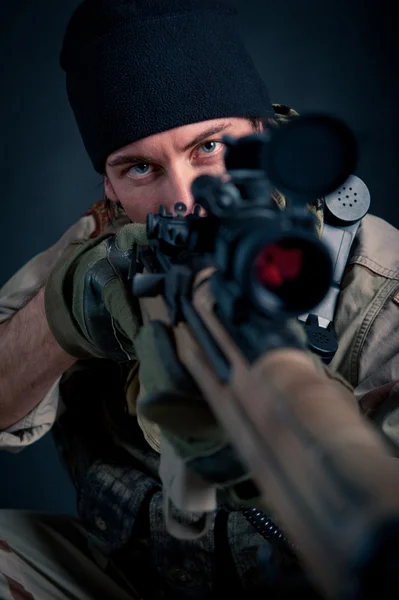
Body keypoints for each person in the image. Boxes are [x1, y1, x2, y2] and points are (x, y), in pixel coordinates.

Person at [0, 0, 399, 598]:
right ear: (107, 186)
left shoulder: (380, 281)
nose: (184, 199)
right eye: (139, 168)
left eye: (210, 146)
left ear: (262, 135)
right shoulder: (98, 254)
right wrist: (69, 315)